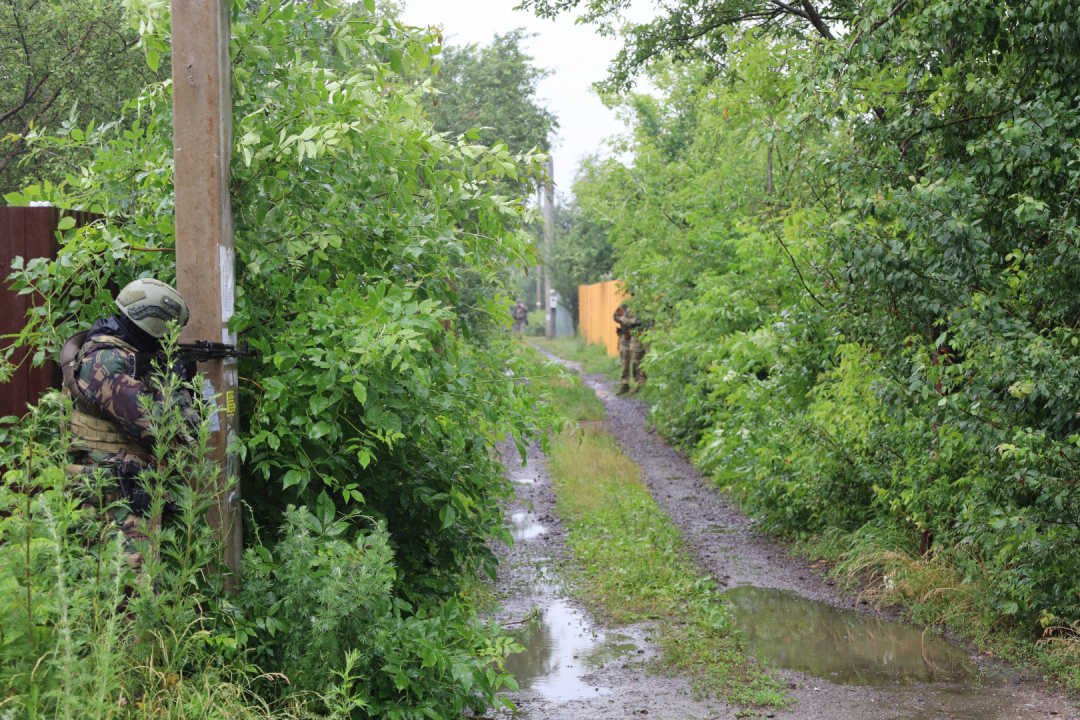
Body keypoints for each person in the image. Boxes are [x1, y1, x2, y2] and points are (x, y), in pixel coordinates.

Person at [61, 277, 198, 572]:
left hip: (116, 501)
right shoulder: (106, 362)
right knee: (126, 607)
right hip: (114, 508)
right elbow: (161, 429)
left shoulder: (111, 354)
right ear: (154, 327)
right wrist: (175, 383)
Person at [614, 301, 646, 395]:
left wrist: (629, 321)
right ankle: (625, 384)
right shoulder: (625, 305)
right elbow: (616, 316)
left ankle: (639, 384)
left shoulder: (643, 306)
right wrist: (622, 320)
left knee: (637, 362)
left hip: (636, 336)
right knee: (624, 360)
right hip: (625, 336)